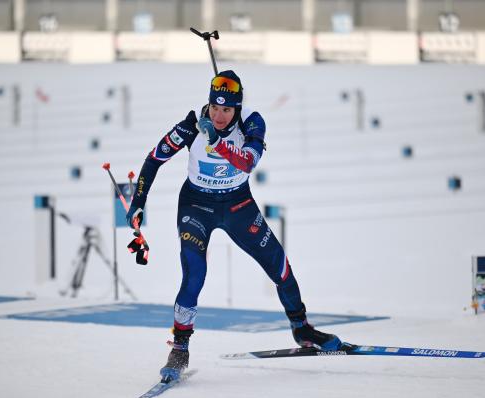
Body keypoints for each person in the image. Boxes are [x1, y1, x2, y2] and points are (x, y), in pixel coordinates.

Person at [126, 70, 343, 381]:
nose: (218, 115)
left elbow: (248, 162)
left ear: (237, 108)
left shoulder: (252, 124)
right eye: (214, 107)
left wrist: (220, 143)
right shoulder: (191, 127)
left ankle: (301, 328)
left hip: (238, 206)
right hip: (197, 207)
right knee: (194, 271)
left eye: (227, 110)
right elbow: (153, 159)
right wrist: (138, 202)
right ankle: (180, 347)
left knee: (279, 267)